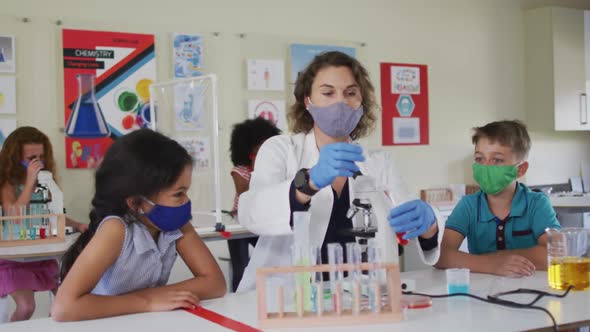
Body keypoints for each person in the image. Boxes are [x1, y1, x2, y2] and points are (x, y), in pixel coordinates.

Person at [236, 51, 444, 292]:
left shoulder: (379, 163)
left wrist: (429, 225)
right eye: (327, 93)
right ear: (308, 101)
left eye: (351, 93)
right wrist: (307, 182)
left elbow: (411, 226)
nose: (341, 102)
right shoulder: (282, 150)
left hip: (364, 298)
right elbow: (252, 213)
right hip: (289, 298)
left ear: (361, 102)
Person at [51, 129, 226, 321]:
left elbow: (215, 283)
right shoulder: (116, 230)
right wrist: (148, 301)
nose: (186, 201)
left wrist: (156, 296)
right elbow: (63, 308)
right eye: (178, 194)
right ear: (136, 202)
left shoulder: (176, 225)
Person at [434, 120, 560, 277]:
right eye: (480, 159)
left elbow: (556, 252)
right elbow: (440, 256)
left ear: (520, 169)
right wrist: (492, 264)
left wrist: (497, 258)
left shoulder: (537, 203)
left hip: (532, 290)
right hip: (482, 293)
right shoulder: (469, 205)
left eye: (497, 160)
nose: (486, 167)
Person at [0, 126, 88, 322]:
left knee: (66, 300)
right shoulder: (8, 184)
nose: (37, 163)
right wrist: (30, 182)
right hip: (14, 260)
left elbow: (52, 212)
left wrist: (77, 225)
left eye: (40, 157)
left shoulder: (46, 183)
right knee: (26, 307)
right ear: (15, 158)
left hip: (41, 256)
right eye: (31, 158)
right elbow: (14, 216)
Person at [228, 117, 280, 292]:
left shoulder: (274, 169)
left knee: (270, 259)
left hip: (261, 222)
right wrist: (257, 169)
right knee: (240, 266)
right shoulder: (240, 171)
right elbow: (245, 194)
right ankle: (238, 297)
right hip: (239, 225)